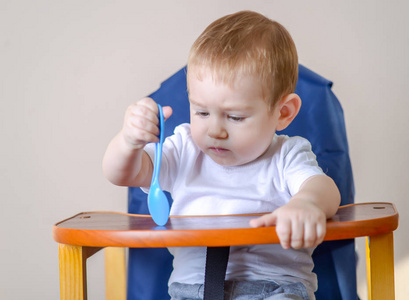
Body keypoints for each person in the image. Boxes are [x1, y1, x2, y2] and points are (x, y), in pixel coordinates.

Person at [103, 10, 340, 300]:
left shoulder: (286, 155)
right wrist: (129, 141)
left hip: (272, 288)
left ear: (283, 113)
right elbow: (122, 173)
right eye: (202, 112)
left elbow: (323, 187)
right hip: (190, 291)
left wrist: (307, 203)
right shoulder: (183, 149)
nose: (215, 130)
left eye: (235, 117)